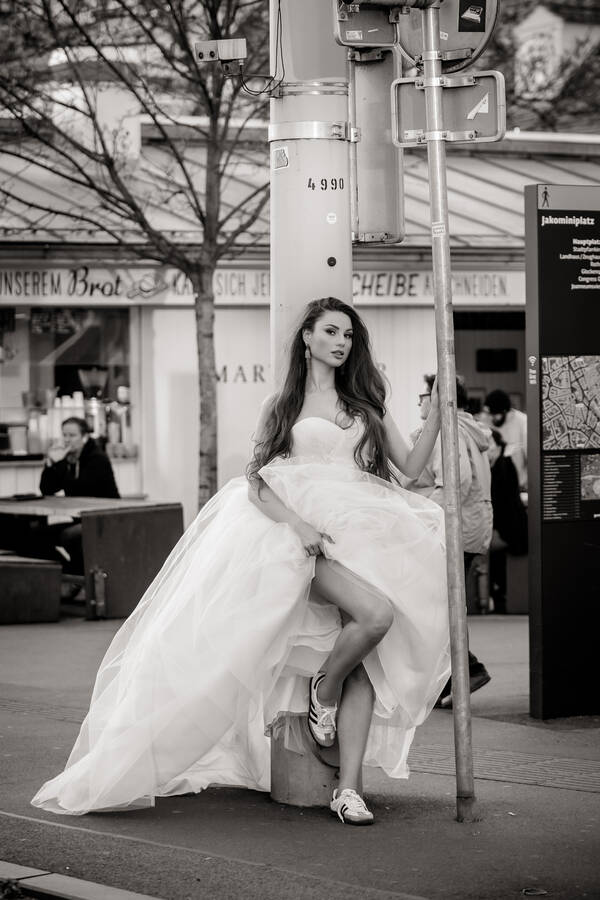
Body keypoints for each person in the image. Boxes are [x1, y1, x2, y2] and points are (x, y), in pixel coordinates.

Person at [31, 297, 450, 826]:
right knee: (376, 616)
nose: (342, 343)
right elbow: (256, 480)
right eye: (331, 332)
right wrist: (298, 528)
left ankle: (349, 789)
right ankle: (325, 688)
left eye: (348, 335)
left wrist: (437, 415)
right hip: (304, 537)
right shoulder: (283, 402)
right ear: (308, 337)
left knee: (366, 650)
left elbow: (410, 469)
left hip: (364, 531)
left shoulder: (367, 400)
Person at [402, 374, 492, 708]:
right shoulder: (469, 429)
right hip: (469, 528)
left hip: (450, 531)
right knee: (447, 604)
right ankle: (452, 679)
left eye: (423, 394)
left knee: (438, 606)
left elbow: (456, 484)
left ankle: (467, 669)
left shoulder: (446, 432)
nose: (419, 402)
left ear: (439, 397)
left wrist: (415, 509)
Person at [34, 417, 119, 574]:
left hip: (104, 520)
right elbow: (47, 488)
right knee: (37, 534)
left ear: (84, 437)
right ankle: (67, 573)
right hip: (81, 519)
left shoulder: (97, 459)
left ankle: (77, 576)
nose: (66, 440)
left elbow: (78, 489)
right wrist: (51, 463)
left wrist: (60, 463)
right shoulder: (69, 458)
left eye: (72, 435)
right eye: (64, 435)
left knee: (69, 536)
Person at [488, 429, 528, 614]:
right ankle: (496, 594)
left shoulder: (501, 467)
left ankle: (492, 596)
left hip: (509, 530)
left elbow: (502, 504)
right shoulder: (502, 464)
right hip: (510, 527)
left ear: (497, 446)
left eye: (489, 445)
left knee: (481, 549)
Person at [484, 390, 528, 492]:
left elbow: (530, 458)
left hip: (519, 486)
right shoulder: (487, 422)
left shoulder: (523, 422)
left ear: (504, 411)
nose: (492, 418)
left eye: (495, 415)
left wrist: (526, 483)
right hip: (494, 486)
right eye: (490, 414)